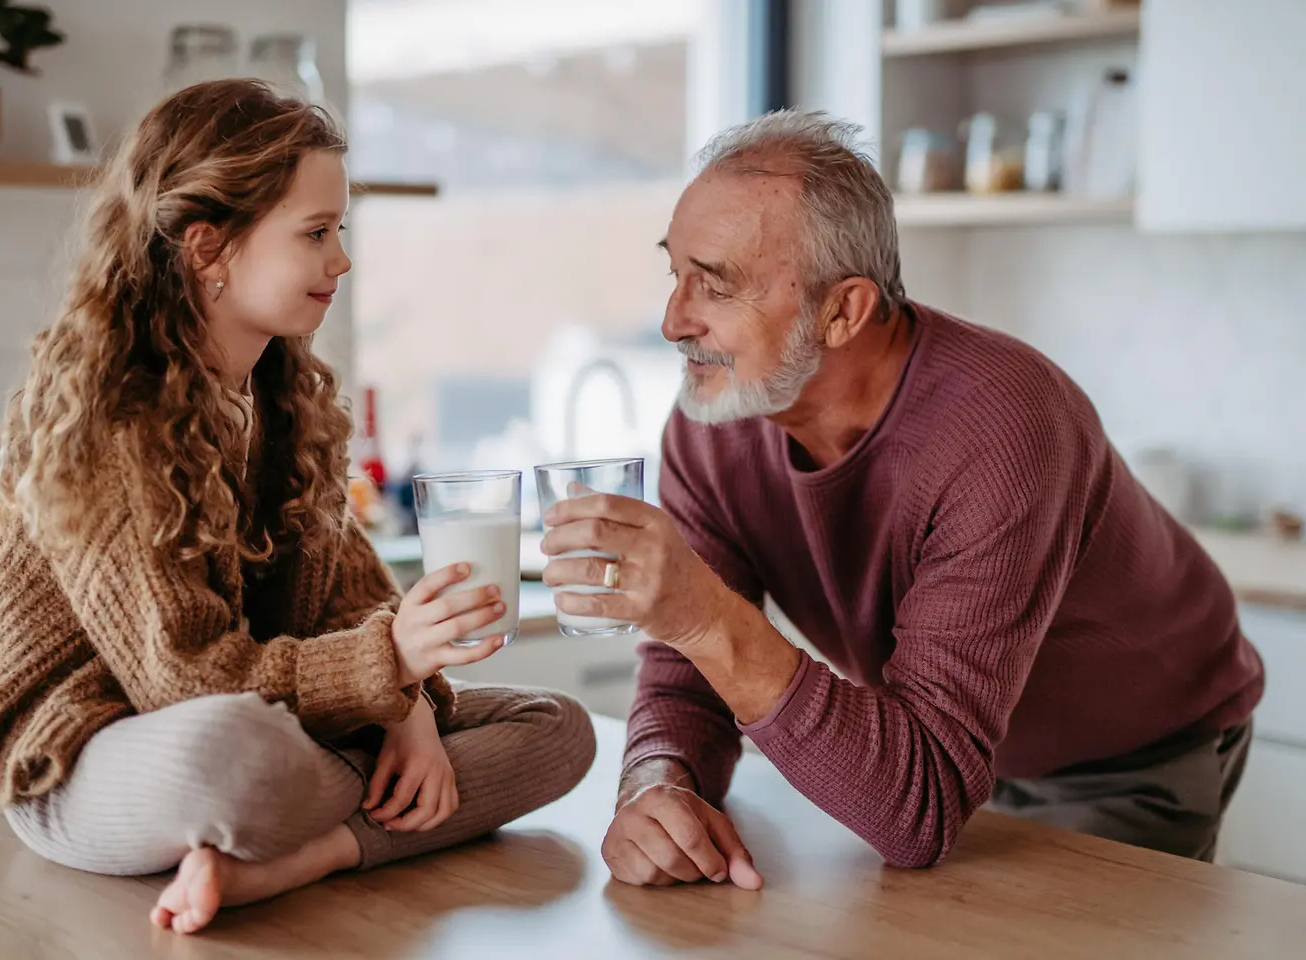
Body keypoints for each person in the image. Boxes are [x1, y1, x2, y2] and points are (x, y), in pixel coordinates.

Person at [0, 79, 595, 935]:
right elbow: (185, 682)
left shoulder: (282, 396)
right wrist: (385, 667)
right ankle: (302, 823)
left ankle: (299, 855)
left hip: (261, 729)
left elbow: (356, 599)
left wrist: (413, 707)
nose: (340, 260)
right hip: (99, 760)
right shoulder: (113, 420)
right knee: (237, 754)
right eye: (315, 234)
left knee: (559, 727)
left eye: (338, 231)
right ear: (210, 250)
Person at [540, 110, 1262, 885]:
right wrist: (658, 781)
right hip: (941, 754)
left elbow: (918, 812)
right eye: (675, 273)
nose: (672, 320)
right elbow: (690, 678)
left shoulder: (1004, 428)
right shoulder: (715, 424)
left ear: (843, 310)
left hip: (1123, 756)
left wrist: (700, 612)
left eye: (713, 286)